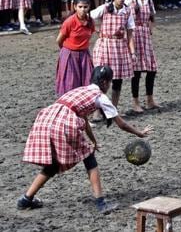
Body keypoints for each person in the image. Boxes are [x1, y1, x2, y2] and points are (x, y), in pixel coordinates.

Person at [18, 66, 153, 213]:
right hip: (63, 121)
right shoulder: (101, 97)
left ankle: (26, 199)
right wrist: (139, 133)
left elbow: (84, 119)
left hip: (47, 118)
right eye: (109, 82)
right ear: (104, 82)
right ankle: (101, 203)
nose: (109, 86)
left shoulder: (82, 90)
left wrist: (93, 141)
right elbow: (122, 124)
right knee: (89, 159)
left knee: (53, 165)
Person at [91, 0, 135, 108]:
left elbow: (130, 33)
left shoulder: (127, 11)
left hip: (119, 47)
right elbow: (89, 16)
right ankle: (97, 111)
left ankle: (113, 108)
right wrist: (95, 29)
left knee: (117, 79)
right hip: (105, 45)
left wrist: (133, 52)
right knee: (100, 77)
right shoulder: (105, 8)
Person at [123, 0, 160, 114]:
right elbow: (123, 17)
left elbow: (151, 18)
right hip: (134, 35)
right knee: (137, 70)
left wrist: (150, 30)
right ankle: (135, 102)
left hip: (145, 35)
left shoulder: (149, 1)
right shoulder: (129, 1)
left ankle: (150, 99)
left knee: (152, 69)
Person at [55, 0, 95, 96]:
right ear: (75, 7)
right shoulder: (69, 22)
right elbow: (59, 40)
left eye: (85, 7)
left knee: (87, 82)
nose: (82, 10)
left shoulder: (90, 22)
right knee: (70, 84)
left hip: (84, 55)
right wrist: (66, 52)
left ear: (89, 7)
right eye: (80, 7)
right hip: (70, 54)